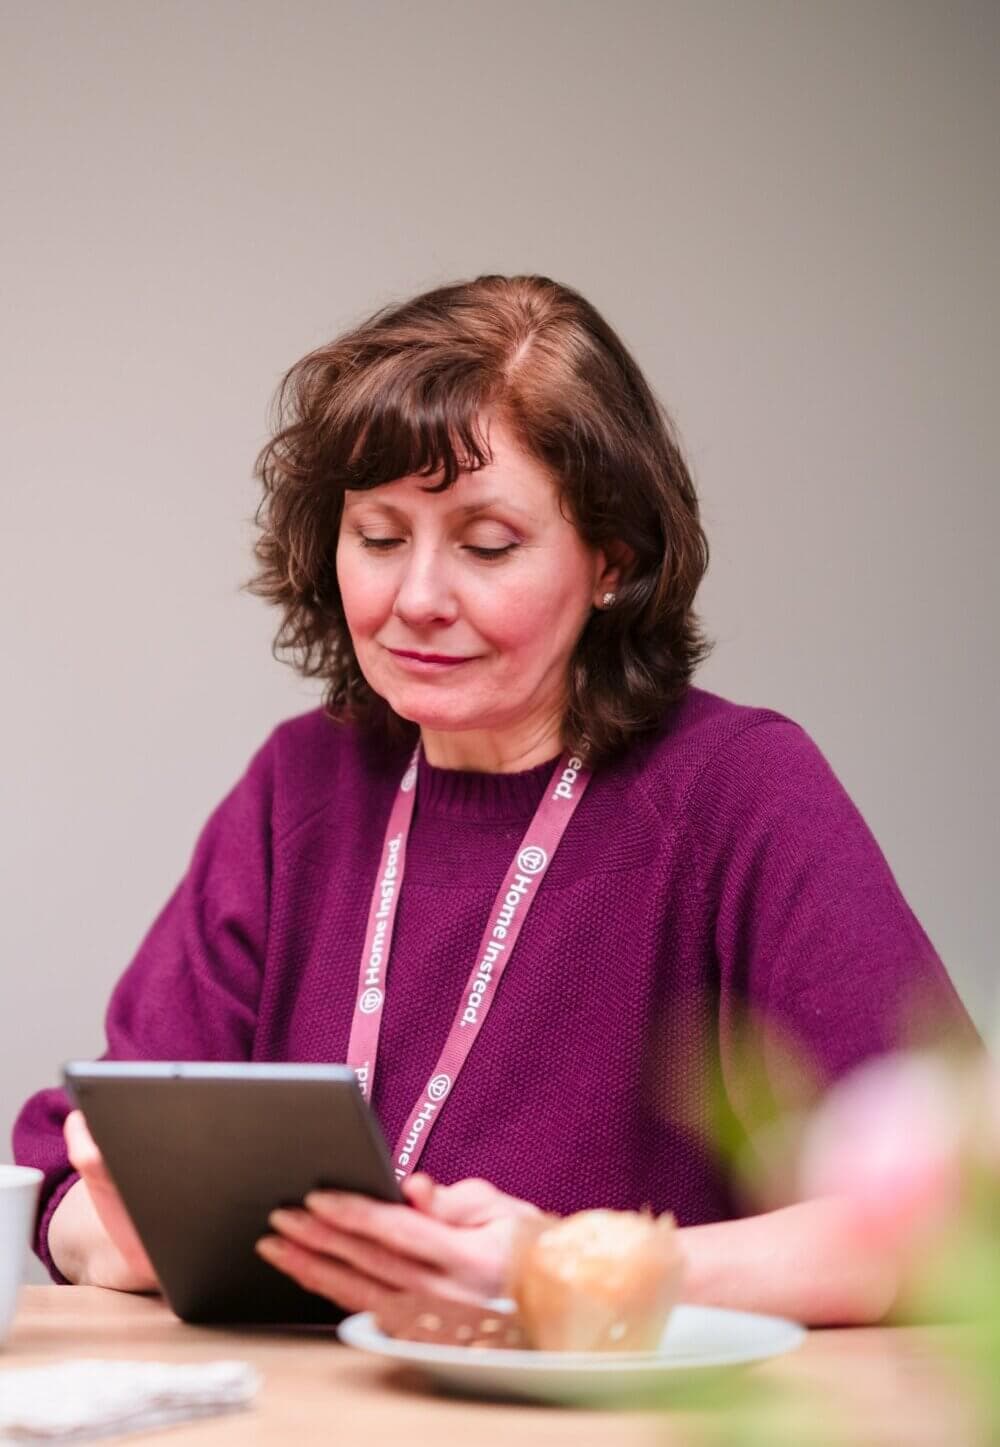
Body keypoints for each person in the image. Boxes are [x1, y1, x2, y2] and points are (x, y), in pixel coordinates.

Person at [13, 274, 978, 1326]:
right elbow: (61, 1173)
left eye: (485, 545)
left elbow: (954, 1217)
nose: (418, 598)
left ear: (611, 557)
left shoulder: (737, 791)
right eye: (379, 538)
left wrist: (558, 1266)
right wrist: (124, 1229)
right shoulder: (299, 786)